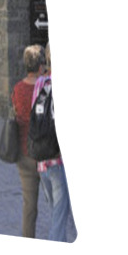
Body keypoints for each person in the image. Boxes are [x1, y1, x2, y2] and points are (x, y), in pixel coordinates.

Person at [33, 43, 74, 241]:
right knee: (59, 221)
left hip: (42, 162)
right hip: (59, 162)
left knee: (57, 216)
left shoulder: (40, 83)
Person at [11, 44, 46, 238]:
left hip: (24, 153)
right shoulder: (46, 88)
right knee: (59, 205)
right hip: (45, 153)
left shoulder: (17, 88)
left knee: (29, 206)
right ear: (40, 66)